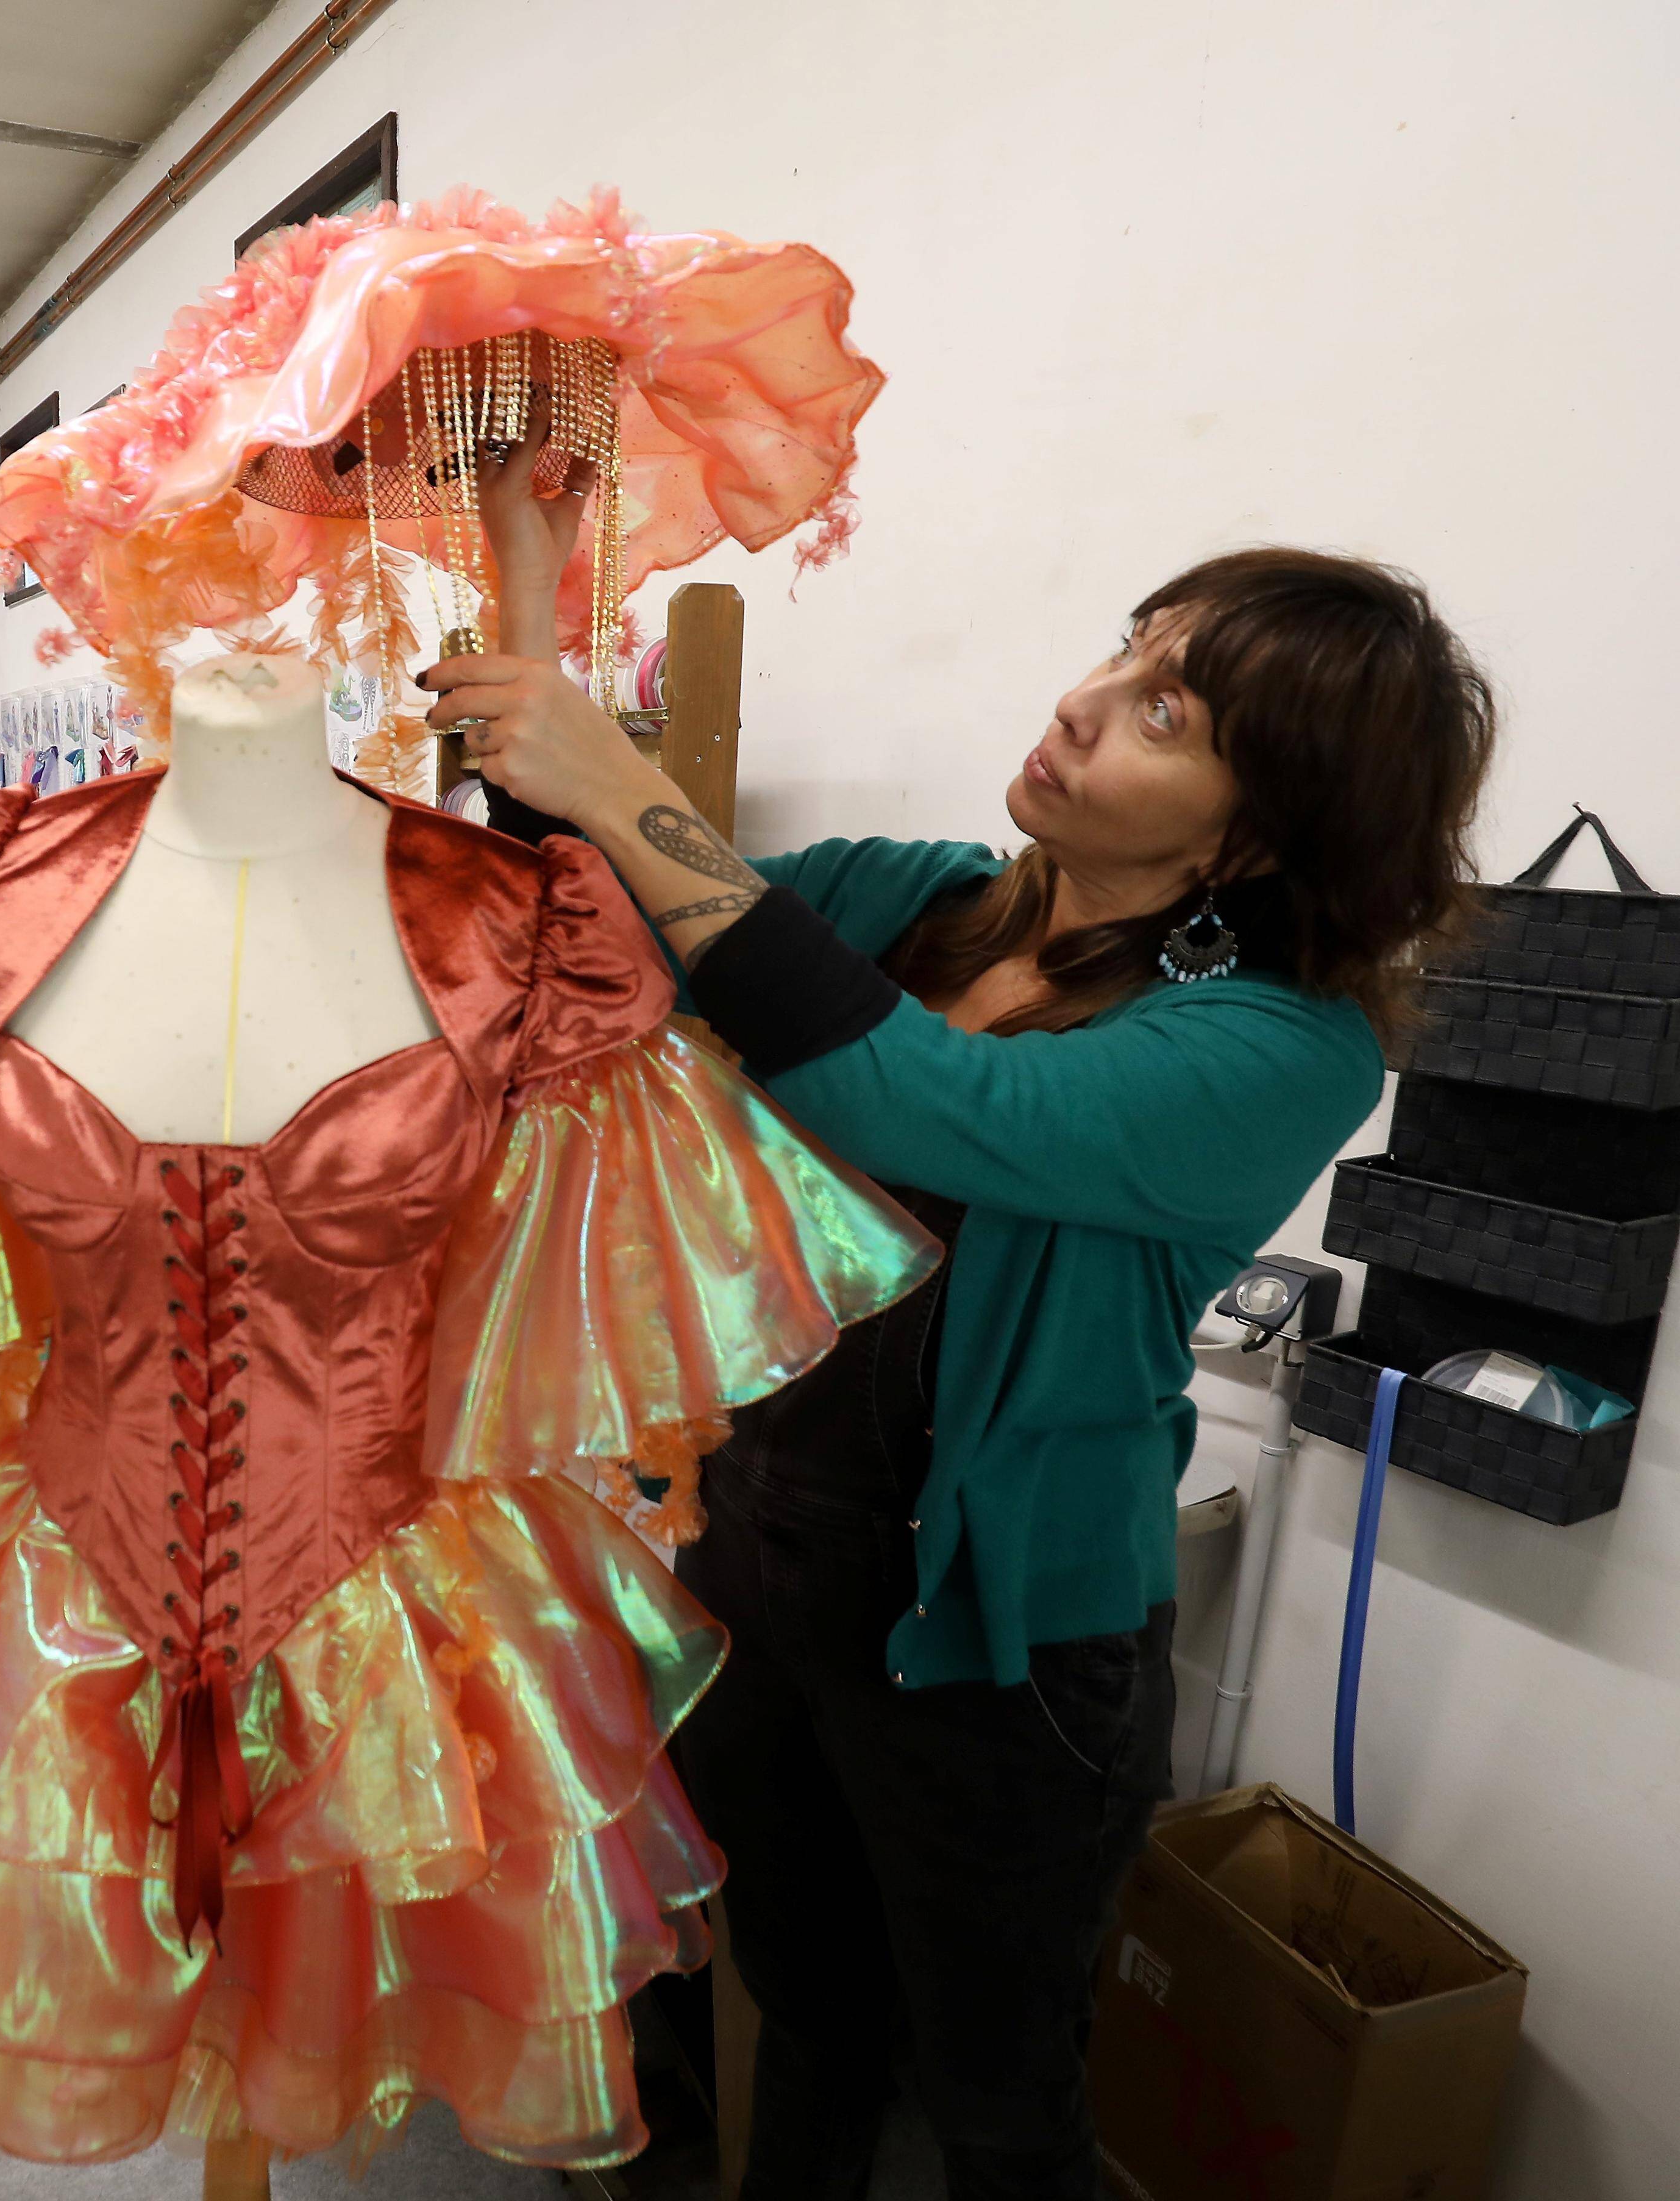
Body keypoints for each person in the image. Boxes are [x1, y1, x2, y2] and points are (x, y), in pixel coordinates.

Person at [427, 446, 1495, 2201]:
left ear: (1259, 829)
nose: (1082, 705)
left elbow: (923, 1101)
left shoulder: (1283, 1048)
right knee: (810, 2005)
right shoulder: (910, 898)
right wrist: (538, 595)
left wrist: (623, 785)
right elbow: (603, 926)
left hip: (1000, 1650)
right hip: (766, 1566)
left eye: (1167, 709)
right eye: (1125, 651)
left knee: (1000, 2100)